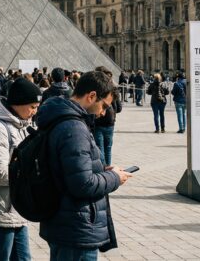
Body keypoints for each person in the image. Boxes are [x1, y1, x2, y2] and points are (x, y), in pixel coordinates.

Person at [37, 71, 133, 260]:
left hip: (64, 221)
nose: (103, 113)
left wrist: (101, 171)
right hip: (76, 226)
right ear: (91, 96)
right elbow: (82, 184)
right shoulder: (74, 128)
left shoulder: (61, 118)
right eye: (104, 106)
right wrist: (114, 178)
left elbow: (70, 170)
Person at [0, 78, 41, 261]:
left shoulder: (19, 125)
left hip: (15, 207)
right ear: (18, 103)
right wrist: (34, 173)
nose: (35, 112)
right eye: (32, 106)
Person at [93, 66, 122, 166]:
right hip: (110, 123)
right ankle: (108, 168)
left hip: (98, 122)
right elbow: (119, 108)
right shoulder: (114, 88)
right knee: (108, 148)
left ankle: (103, 170)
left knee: (100, 149)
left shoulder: (95, 88)